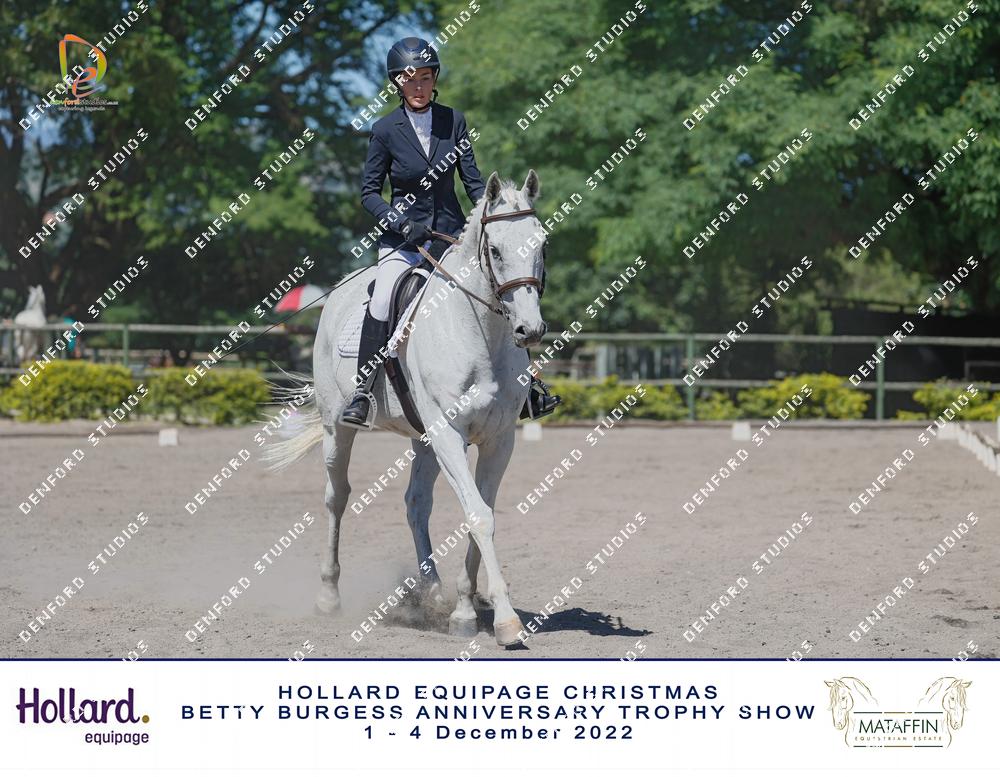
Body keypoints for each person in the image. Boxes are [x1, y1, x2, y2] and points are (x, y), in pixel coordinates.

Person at [340, 36, 560, 428]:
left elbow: (473, 183)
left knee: (499, 292)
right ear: (397, 83)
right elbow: (369, 194)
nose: (419, 87)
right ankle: (362, 392)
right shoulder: (385, 130)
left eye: (425, 78)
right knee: (383, 299)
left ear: (434, 79)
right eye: (410, 80)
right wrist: (400, 222)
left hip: (451, 239)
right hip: (404, 242)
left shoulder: (453, 121)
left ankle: (527, 389)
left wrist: (494, 215)